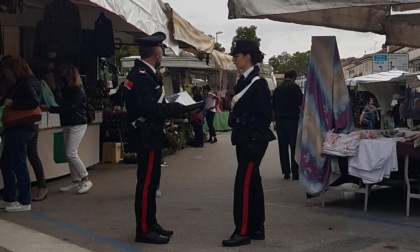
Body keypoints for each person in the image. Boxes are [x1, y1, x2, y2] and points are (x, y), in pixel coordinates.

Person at [122, 32, 185, 245]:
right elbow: (149, 109)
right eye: (162, 50)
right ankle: (143, 229)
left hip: (151, 135)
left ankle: (151, 222)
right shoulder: (141, 75)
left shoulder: (147, 74)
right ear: (156, 52)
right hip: (145, 135)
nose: (162, 54)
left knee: (152, 181)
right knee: (147, 183)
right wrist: (176, 108)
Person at [222, 40, 276, 247]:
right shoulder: (246, 80)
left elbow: (265, 115)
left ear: (247, 57)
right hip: (244, 137)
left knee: (243, 184)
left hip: (252, 140)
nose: (234, 60)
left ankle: (242, 231)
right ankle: (256, 227)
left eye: (237, 56)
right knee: (252, 182)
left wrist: (254, 140)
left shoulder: (258, 82)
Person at [44, 65, 93, 194]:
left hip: (77, 123)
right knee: (70, 153)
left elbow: (69, 108)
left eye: (64, 75)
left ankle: (85, 178)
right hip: (71, 121)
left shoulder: (77, 91)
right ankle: (76, 181)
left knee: (70, 153)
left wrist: (50, 108)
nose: (62, 77)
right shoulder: (71, 89)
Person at [0, 57, 40, 212]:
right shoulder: (24, 83)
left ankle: (24, 200)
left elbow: (33, 103)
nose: (5, 74)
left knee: (18, 165)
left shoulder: (23, 84)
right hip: (20, 128)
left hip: (19, 129)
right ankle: (10, 197)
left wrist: (13, 104)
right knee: (8, 163)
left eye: (6, 70)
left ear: (13, 70)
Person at [272, 69, 303, 180]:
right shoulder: (295, 88)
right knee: (294, 147)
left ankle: (286, 172)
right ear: (293, 77)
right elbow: (302, 102)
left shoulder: (277, 89)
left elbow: (273, 106)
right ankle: (295, 172)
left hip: (280, 121)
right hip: (293, 121)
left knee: (283, 147)